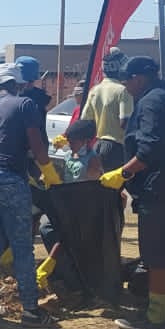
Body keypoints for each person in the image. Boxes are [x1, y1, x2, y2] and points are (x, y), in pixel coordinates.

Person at [99, 56, 165, 329]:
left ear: (139, 78)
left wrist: (123, 173)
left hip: (159, 190)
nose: (125, 85)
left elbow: (149, 149)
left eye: (127, 80)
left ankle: (156, 318)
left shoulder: (151, 102)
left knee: (157, 256)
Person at [0, 62, 60, 326]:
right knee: (21, 244)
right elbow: (35, 142)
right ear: (17, 84)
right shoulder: (25, 104)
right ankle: (31, 310)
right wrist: (48, 170)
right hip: (9, 177)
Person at [35, 119, 103, 289]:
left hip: (82, 208)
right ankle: (61, 266)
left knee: (66, 233)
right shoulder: (67, 157)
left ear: (85, 141)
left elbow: (93, 187)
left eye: (74, 141)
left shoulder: (92, 161)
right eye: (69, 141)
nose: (70, 144)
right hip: (66, 205)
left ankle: (62, 269)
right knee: (46, 227)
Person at [80, 47, 133, 171]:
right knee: (118, 181)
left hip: (97, 146)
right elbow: (125, 122)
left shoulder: (95, 90)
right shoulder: (123, 90)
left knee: (100, 182)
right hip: (117, 147)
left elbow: (85, 121)